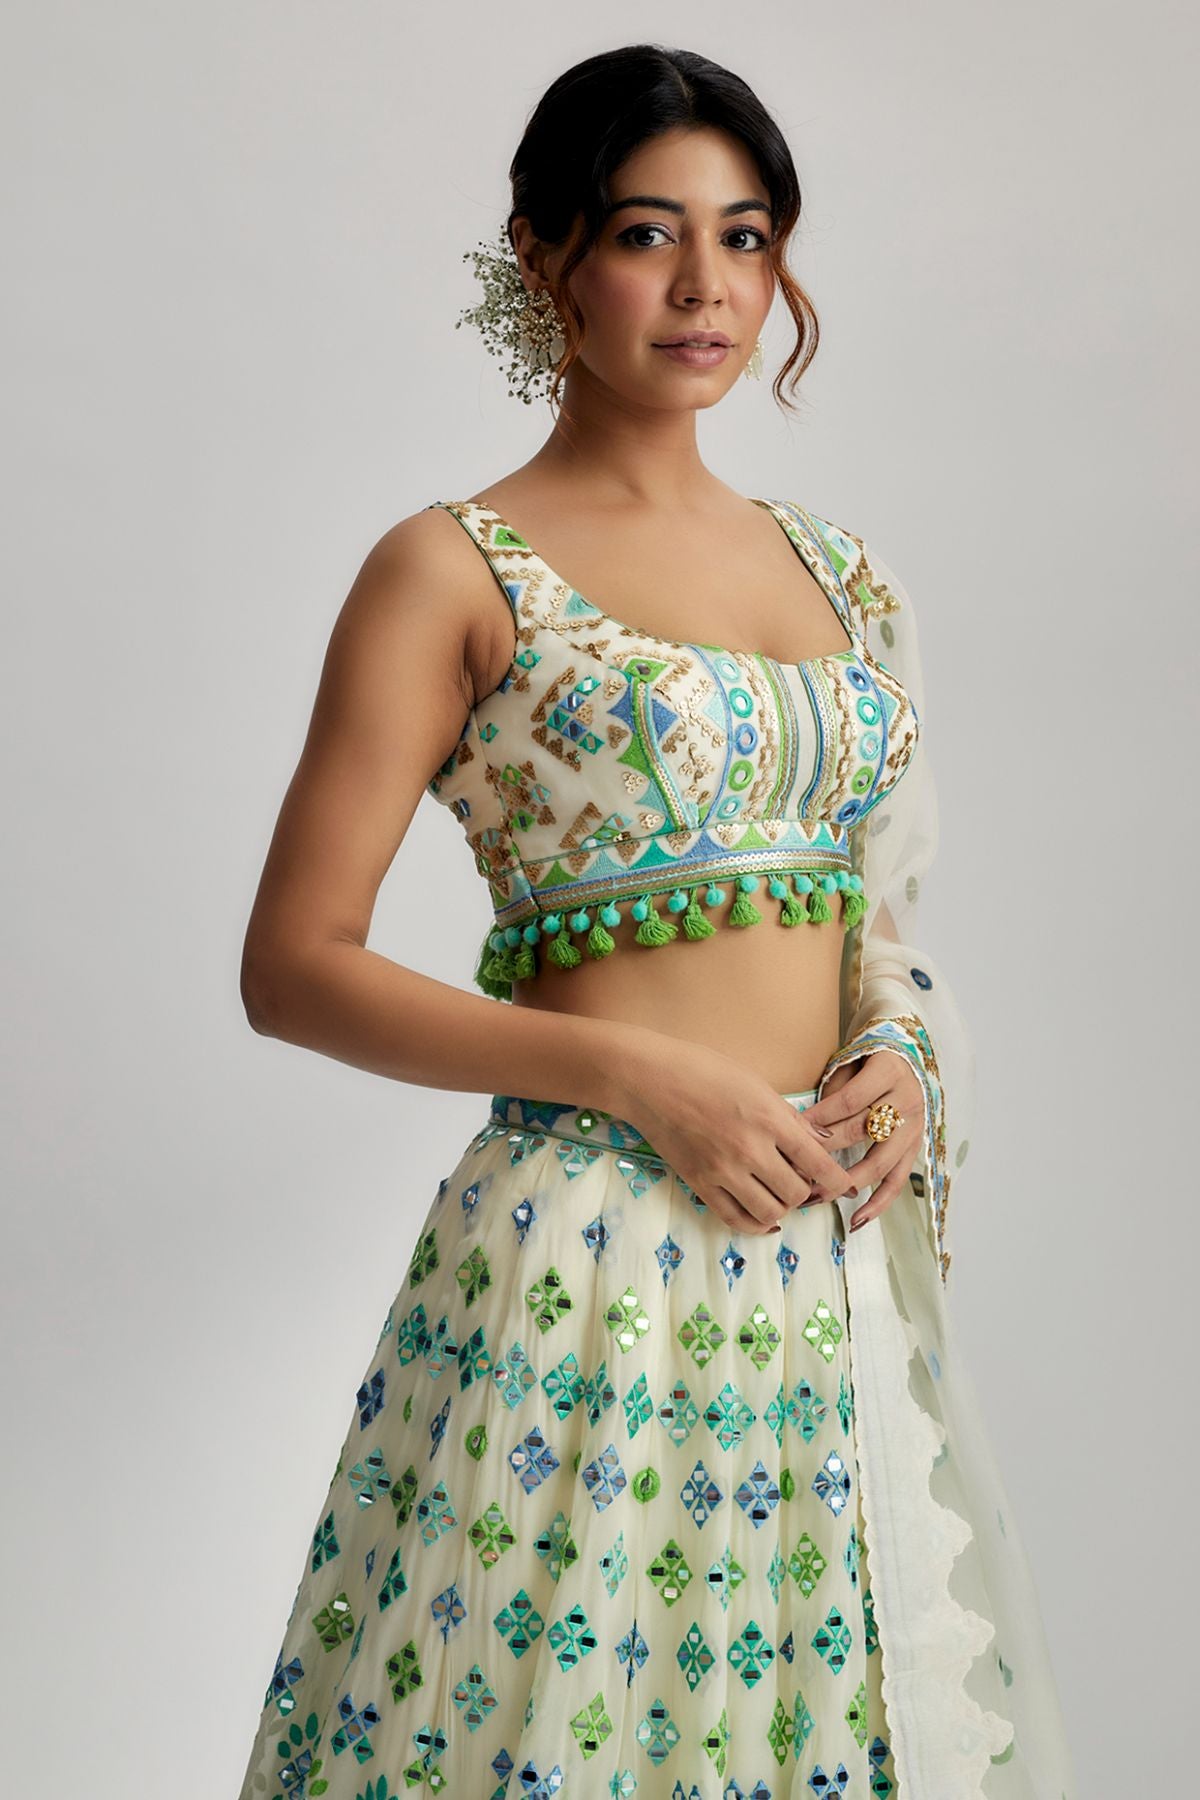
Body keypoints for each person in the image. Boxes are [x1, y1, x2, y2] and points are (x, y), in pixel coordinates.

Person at [235, 44, 1077, 1800]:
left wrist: (901, 1048)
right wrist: (634, 1074)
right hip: (586, 1257)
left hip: (822, 1265)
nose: (707, 286)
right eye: (646, 233)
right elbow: (294, 967)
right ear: (545, 257)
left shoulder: (842, 572)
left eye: (745, 236)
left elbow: (873, 902)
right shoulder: (451, 568)